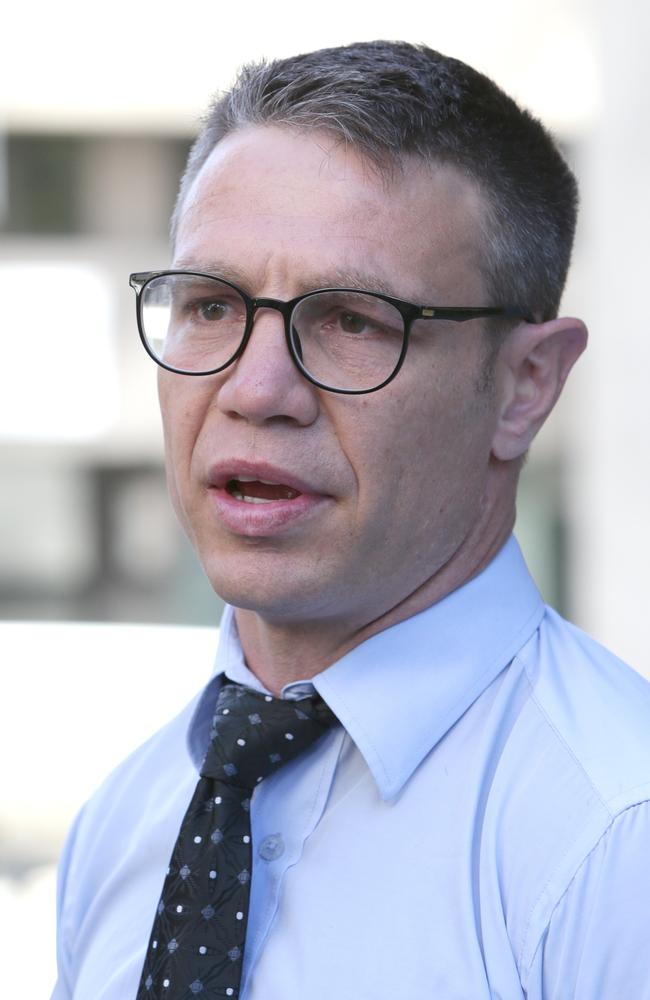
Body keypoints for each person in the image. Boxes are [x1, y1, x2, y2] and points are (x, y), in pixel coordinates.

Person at [52, 41, 650, 1000]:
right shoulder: (128, 818)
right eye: (210, 305)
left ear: (525, 385)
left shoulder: (617, 846)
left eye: (351, 320)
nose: (255, 389)